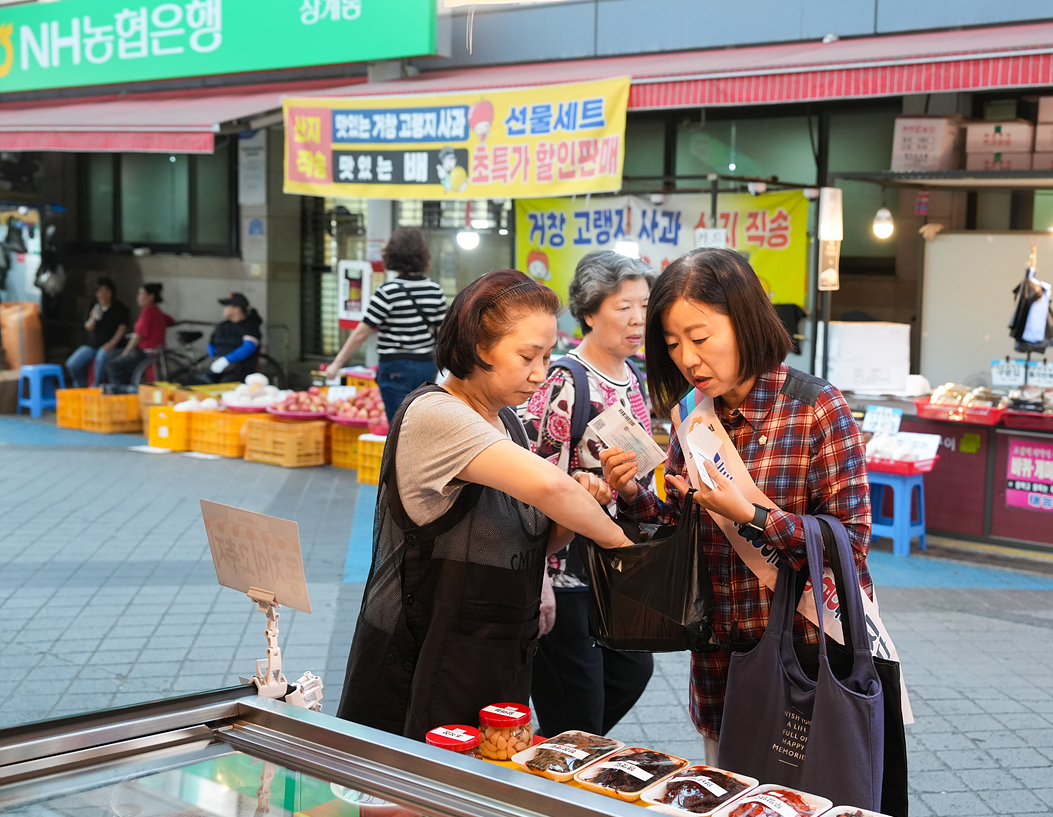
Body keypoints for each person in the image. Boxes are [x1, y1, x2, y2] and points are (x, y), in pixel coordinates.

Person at [601, 247, 873, 765]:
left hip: (804, 659)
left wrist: (754, 516)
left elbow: (851, 544)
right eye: (673, 343)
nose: (687, 358)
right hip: (719, 658)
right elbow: (682, 518)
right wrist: (636, 494)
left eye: (700, 338)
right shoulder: (693, 413)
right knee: (723, 813)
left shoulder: (815, 408)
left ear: (745, 321)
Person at [336, 269, 633, 741]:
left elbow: (535, 536)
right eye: (527, 356)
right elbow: (549, 491)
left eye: (547, 354)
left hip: (491, 657)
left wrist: (577, 511)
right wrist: (622, 546)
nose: (541, 372)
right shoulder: (436, 414)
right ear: (478, 347)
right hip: (421, 658)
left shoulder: (508, 422)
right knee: (411, 806)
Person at [518, 250, 656, 737]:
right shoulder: (565, 380)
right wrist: (536, 577)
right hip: (564, 570)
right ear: (591, 311)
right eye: (624, 307)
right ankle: (555, 779)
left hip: (611, 569)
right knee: (577, 709)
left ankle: (556, 757)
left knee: (632, 672)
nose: (638, 318)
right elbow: (532, 477)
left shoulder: (632, 379)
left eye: (644, 305)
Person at [325, 227, 447, 418]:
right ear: (423, 256)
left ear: (393, 256)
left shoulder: (387, 292)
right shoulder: (435, 291)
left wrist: (337, 363)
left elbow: (362, 333)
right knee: (424, 423)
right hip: (426, 367)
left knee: (399, 427)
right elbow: (445, 333)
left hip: (395, 368)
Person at [104, 283, 173, 392]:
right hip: (155, 351)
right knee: (114, 355)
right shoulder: (156, 310)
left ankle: (121, 390)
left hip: (145, 352)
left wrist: (126, 351)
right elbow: (171, 321)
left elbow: (138, 335)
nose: (138, 297)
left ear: (151, 297)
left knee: (113, 363)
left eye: (141, 294)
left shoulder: (148, 311)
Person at [65, 277, 129, 388]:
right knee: (72, 363)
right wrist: (93, 318)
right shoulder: (93, 306)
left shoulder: (119, 308)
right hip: (92, 345)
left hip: (110, 345)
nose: (102, 294)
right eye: (99, 291)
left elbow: (122, 328)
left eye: (105, 291)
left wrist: (112, 343)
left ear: (111, 293)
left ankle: (95, 387)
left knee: (101, 359)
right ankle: (80, 385)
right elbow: (88, 327)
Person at [198, 292, 262, 384]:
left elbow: (249, 347)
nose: (224, 309)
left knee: (227, 383)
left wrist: (226, 360)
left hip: (239, 369)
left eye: (227, 306)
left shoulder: (250, 326)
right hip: (218, 368)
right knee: (201, 380)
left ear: (237, 309)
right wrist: (214, 359)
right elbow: (211, 344)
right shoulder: (222, 326)